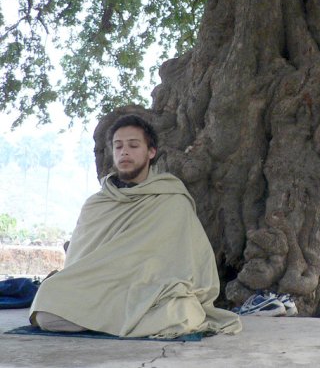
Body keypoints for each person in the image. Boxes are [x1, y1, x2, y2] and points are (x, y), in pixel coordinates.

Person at [29, 114, 241, 338]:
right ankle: (122, 322)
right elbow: (79, 264)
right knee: (47, 304)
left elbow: (191, 264)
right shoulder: (96, 204)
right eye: (118, 146)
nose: (124, 152)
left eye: (133, 145)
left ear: (151, 152)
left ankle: (100, 320)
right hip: (98, 289)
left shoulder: (172, 200)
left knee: (180, 312)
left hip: (146, 293)